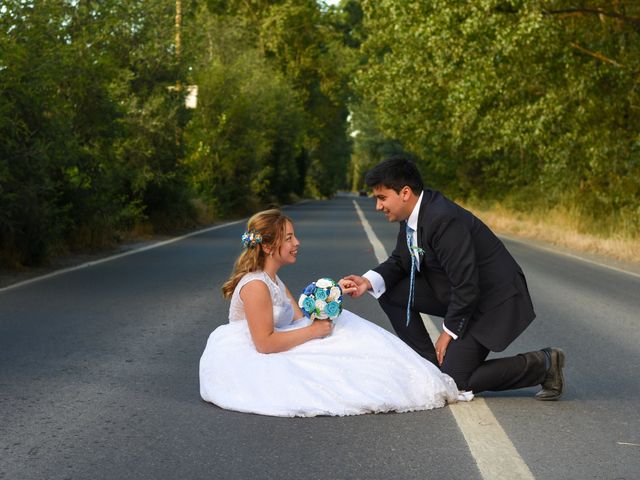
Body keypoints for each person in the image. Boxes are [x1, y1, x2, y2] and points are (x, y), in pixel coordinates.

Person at [341, 155, 565, 400]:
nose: (378, 206)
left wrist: (448, 332)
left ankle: (543, 364)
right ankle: (430, 368)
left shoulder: (443, 219)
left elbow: (467, 284)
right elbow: (400, 260)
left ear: (405, 193)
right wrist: (367, 281)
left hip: (493, 301)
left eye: (382, 198)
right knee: (387, 289)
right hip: (460, 294)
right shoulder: (413, 217)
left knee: (455, 382)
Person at [199, 209, 460, 417]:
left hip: (277, 340)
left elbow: (301, 317)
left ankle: (405, 375)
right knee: (333, 342)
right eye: (288, 237)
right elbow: (265, 343)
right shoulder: (256, 286)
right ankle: (393, 381)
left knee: (341, 324)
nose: (296, 242)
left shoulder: (272, 281)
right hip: (252, 355)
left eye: (294, 236)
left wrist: (332, 292)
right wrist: (314, 331)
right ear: (267, 247)